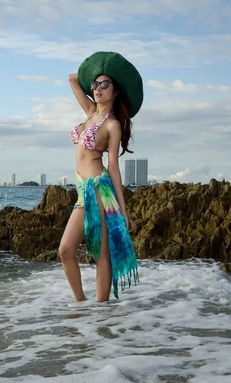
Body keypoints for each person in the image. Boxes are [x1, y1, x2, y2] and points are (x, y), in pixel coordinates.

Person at [59, 51, 142, 302]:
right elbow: (73, 79)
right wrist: (92, 73)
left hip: (97, 188)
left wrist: (123, 209)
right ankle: (82, 306)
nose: (97, 88)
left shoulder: (111, 125)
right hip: (82, 191)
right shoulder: (90, 111)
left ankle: (101, 315)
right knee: (65, 251)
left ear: (116, 90)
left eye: (105, 84)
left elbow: (114, 167)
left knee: (100, 254)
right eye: (95, 84)